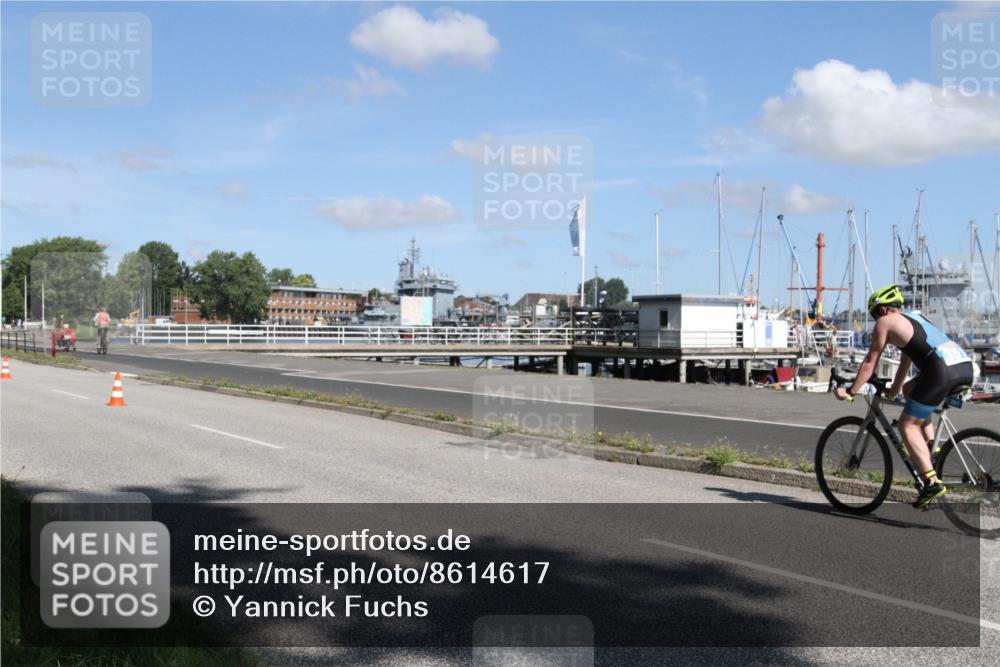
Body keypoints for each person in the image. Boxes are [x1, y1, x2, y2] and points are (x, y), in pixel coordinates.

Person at [834, 285, 974, 509]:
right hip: (964, 366)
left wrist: (851, 391)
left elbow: (870, 361)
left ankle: (931, 483)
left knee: (906, 426)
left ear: (882, 310)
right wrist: (895, 390)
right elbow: (905, 362)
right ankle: (932, 448)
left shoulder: (885, 322)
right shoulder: (915, 317)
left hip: (941, 372)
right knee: (910, 390)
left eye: (874, 314)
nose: (876, 319)